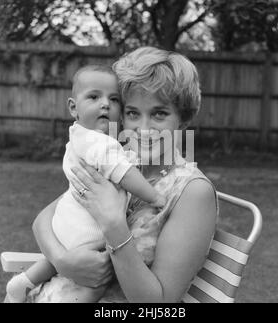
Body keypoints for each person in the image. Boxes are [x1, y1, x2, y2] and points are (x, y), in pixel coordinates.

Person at [27, 47, 219, 303]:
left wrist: (114, 225)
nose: (143, 128)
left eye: (159, 114)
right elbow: (45, 218)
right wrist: (62, 261)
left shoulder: (193, 192)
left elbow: (157, 303)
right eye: (132, 113)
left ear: (182, 120)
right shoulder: (119, 163)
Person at [6, 64, 166, 303]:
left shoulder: (80, 136)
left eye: (114, 100)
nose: (105, 104)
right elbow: (124, 173)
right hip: (86, 231)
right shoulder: (100, 143)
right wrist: (154, 197)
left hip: (67, 223)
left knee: (56, 260)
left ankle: (23, 282)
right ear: (73, 107)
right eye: (94, 97)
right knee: (97, 281)